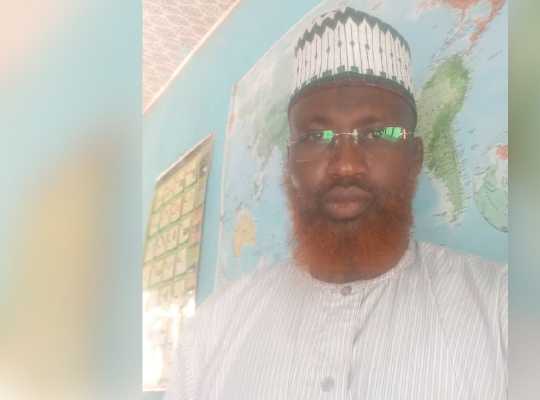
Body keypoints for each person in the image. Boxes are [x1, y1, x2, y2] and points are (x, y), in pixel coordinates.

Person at [165, 7, 507, 399]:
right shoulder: (213, 331)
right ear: (290, 162)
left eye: (378, 133)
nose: (346, 165)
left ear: (414, 158)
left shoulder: (499, 310)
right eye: (316, 137)